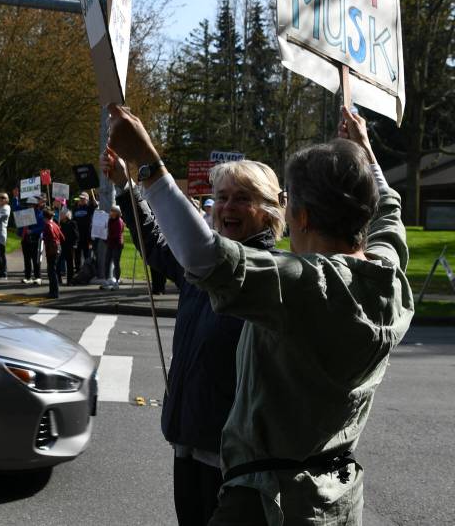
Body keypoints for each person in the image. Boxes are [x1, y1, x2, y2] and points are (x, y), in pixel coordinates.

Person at [105, 105, 413, 526]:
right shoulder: (387, 274)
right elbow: (390, 209)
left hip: (266, 501)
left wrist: (147, 162)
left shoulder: (302, 286)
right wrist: (364, 150)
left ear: (297, 215)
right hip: (332, 496)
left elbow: (204, 256)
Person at [104, 152, 284, 525]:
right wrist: (125, 187)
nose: (226, 207)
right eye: (220, 197)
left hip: (233, 458)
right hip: (187, 438)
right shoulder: (202, 262)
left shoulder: (269, 274)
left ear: (268, 211)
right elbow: (155, 243)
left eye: (241, 198)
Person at [71, 191, 98, 270]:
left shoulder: (89, 207)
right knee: (77, 253)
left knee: (87, 253)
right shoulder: (75, 208)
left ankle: (87, 269)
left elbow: (96, 205)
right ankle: (78, 269)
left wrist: (93, 195)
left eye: (83, 199)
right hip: (77, 235)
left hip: (86, 235)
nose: (81, 200)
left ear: (87, 200)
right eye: (80, 199)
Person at [41, 207, 64, 299]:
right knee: (53, 270)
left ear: (45, 217)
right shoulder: (55, 224)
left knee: (51, 272)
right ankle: (52, 291)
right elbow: (62, 237)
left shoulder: (48, 225)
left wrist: (46, 238)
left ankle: (54, 292)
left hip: (52, 249)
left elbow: (50, 235)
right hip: (58, 248)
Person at [101, 205, 125, 290]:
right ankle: (107, 280)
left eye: (112, 211)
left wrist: (107, 238)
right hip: (110, 244)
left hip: (117, 245)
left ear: (116, 212)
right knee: (107, 262)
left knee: (116, 262)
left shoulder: (119, 221)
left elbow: (117, 235)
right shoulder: (110, 220)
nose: (110, 212)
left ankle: (117, 281)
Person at [59, 209, 79, 285]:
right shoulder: (60, 223)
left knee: (69, 264)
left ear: (66, 216)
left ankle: (70, 281)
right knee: (59, 262)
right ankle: (58, 279)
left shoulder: (72, 223)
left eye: (62, 215)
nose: (60, 216)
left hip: (70, 245)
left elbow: (76, 235)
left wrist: (75, 244)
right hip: (62, 245)